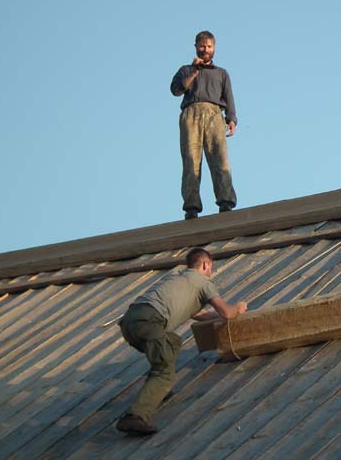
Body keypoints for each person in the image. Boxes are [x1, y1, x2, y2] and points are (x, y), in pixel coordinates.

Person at [116, 248, 248, 435]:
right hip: (150, 322)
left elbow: (201, 315)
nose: (211, 271)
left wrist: (221, 315)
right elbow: (226, 313)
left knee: (173, 341)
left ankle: (157, 391)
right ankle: (134, 416)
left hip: (130, 322)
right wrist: (238, 309)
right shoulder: (202, 281)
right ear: (205, 264)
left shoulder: (177, 277)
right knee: (164, 372)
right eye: (211, 267)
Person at [170, 30, 238, 219]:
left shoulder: (221, 73)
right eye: (202, 46)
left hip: (215, 114)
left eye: (209, 46)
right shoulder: (186, 70)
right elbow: (176, 90)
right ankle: (191, 206)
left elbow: (229, 97)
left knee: (220, 159)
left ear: (214, 48)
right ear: (196, 47)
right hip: (191, 113)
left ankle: (226, 202)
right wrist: (194, 71)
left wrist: (231, 118)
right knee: (191, 160)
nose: (205, 50)